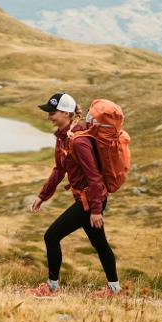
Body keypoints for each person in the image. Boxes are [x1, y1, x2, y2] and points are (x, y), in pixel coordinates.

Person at [27, 92, 120, 297]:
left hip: (90, 201)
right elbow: (59, 170)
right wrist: (43, 196)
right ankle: (115, 290)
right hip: (87, 199)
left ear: (67, 113)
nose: (49, 115)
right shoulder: (62, 138)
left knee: (51, 236)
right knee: (100, 243)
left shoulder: (78, 141)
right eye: (49, 111)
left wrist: (96, 210)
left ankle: (51, 288)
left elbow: (94, 176)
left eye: (54, 111)